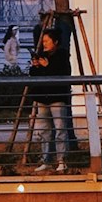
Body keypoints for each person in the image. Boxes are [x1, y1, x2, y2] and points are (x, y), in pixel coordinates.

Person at [30, 27, 72, 173]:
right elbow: (34, 76)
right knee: (44, 130)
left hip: (57, 96)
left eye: (47, 41)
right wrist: (35, 67)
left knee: (60, 129)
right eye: (43, 41)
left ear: (55, 42)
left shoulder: (62, 55)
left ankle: (62, 160)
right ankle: (46, 159)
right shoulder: (42, 55)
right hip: (42, 97)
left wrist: (47, 66)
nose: (44, 44)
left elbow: (64, 73)